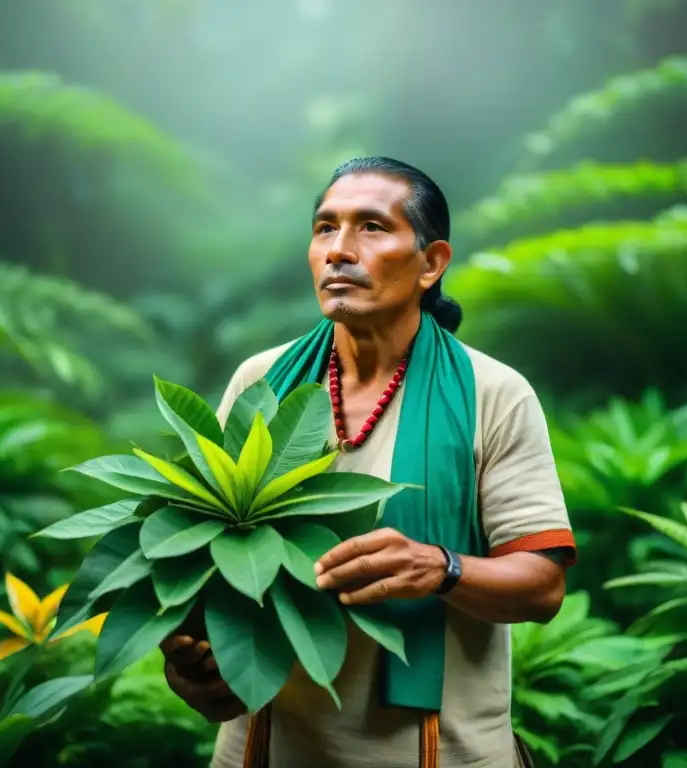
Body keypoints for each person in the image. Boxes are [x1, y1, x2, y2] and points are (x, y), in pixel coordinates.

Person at [161, 157, 576, 768]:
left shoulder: (492, 392)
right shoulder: (262, 382)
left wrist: (442, 568)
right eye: (325, 228)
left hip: (435, 750)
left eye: (372, 228)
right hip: (269, 746)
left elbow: (542, 585)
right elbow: (203, 566)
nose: (339, 250)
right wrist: (194, 669)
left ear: (432, 263)